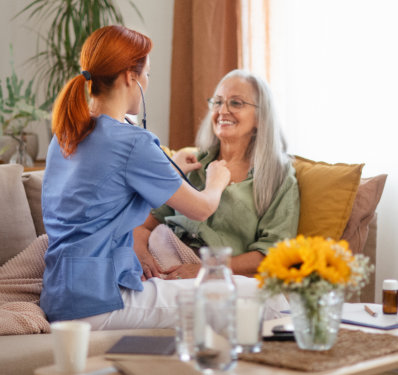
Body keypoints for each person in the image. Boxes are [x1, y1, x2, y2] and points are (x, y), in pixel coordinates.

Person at [39, 25, 232, 326]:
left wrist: (170, 163)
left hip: (59, 296)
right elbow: (201, 208)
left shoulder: (64, 135)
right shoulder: (133, 142)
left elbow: (107, 186)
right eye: (147, 75)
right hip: (98, 302)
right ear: (131, 77)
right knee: (254, 294)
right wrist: (216, 180)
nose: (146, 82)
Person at [134, 69, 300, 280]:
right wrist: (141, 255)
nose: (223, 110)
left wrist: (208, 268)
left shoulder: (279, 176)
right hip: (161, 261)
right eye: (218, 102)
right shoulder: (192, 165)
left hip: (220, 277)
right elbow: (144, 225)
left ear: (260, 117)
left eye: (236, 103)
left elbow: (273, 254)